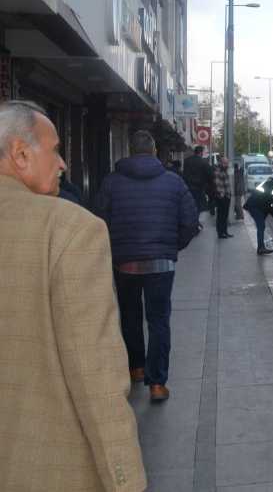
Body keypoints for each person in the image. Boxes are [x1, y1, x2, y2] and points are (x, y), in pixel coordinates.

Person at [0, 101, 146, 491]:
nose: (63, 163)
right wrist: (126, 481)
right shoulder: (70, 230)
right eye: (55, 150)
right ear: (20, 153)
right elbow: (95, 376)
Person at [94, 130, 200, 402]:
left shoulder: (111, 182)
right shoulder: (173, 182)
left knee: (130, 316)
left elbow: (98, 221)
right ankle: (157, 384)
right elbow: (190, 221)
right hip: (161, 264)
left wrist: (115, 249)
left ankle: (137, 368)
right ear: (154, 152)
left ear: (129, 151)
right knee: (159, 321)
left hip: (124, 263)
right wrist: (172, 247)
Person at [244, 176, 273, 255]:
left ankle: (261, 247)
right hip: (254, 206)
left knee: (261, 225)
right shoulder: (271, 187)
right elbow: (270, 204)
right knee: (261, 225)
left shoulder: (270, 185)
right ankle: (260, 248)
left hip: (257, 205)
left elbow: (269, 204)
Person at [183, 145, 214, 212]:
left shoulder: (186, 161)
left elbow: (184, 174)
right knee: (198, 207)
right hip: (199, 188)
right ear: (201, 152)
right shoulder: (203, 162)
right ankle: (196, 220)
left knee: (190, 206)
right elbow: (211, 175)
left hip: (188, 187)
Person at [214, 157, 234, 238]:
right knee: (221, 215)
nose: (226, 165)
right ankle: (220, 232)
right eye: (225, 163)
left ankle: (225, 231)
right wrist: (222, 195)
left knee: (225, 215)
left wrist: (228, 195)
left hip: (226, 196)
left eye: (227, 163)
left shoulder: (225, 171)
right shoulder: (218, 171)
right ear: (221, 163)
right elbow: (217, 184)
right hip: (221, 196)